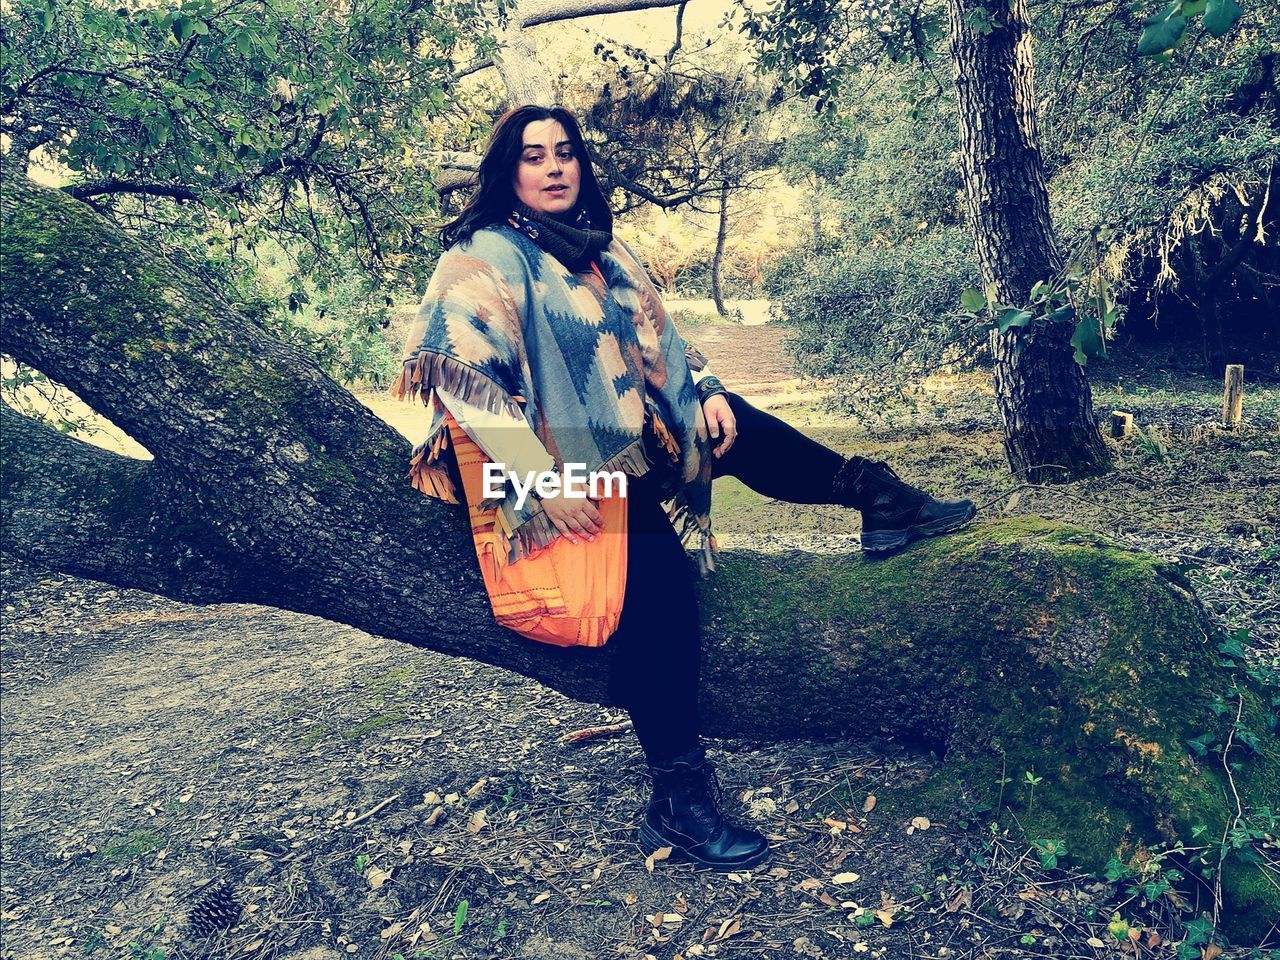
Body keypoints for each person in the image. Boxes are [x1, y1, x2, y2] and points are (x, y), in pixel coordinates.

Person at [394, 104, 976, 872]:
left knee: (733, 424)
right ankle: (677, 800)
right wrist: (540, 481)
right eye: (535, 156)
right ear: (509, 172)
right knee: (663, 593)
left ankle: (880, 499)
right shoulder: (480, 258)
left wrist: (703, 387)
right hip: (548, 474)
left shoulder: (604, 254)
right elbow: (461, 382)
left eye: (565, 153)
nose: (555, 167)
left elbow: (663, 342)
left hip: (629, 452)